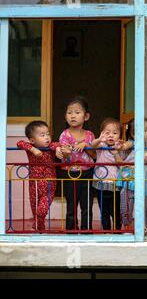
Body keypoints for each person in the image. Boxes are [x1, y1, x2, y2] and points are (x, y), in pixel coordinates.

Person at [117, 117, 147, 228]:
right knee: (126, 207)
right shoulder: (132, 143)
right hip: (128, 182)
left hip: (143, 183)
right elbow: (124, 146)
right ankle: (127, 227)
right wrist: (120, 146)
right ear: (134, 134)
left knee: (143, 208)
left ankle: (142, 228)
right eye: (145, 130)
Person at [17, 121, 64, 231]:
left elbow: (59, 144)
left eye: (48, 134)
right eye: (42, 135)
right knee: (35, 208)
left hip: (49, 183)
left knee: (42, 209)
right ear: (32, 140)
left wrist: (57, 149)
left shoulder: (51, 147)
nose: (47, 137)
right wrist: (33, 149)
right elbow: (19, 143)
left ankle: (39, 226)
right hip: (34, 183)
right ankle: (39, 227)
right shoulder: (31, 148)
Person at [58, 96, 96, 231]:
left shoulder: (90, 135)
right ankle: (71, 229)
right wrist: (66, 153)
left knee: (87, 203)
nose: (72, 116)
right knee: (71, 204)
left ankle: (86, 230)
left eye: (77, 112)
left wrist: (86, 145)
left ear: (86, 116)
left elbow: (94, 155)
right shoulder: (64, 135)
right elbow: (64, 157)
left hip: (87, 172)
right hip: (70, 172)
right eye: (69, 112)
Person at [91, 118, 127, 230]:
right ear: (102, 133)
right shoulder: (101, 145)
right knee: (104, 210)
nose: (111, 135)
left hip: (115, 183)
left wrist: (116, 152)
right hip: (100, 182)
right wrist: (99, 139)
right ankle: (106, 230)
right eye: (107, 133)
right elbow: (92, 145)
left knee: (115, 210)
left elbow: (121, 164)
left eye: (115, 133)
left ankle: (117, 230)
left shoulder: (120, 146)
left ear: (120, 135)